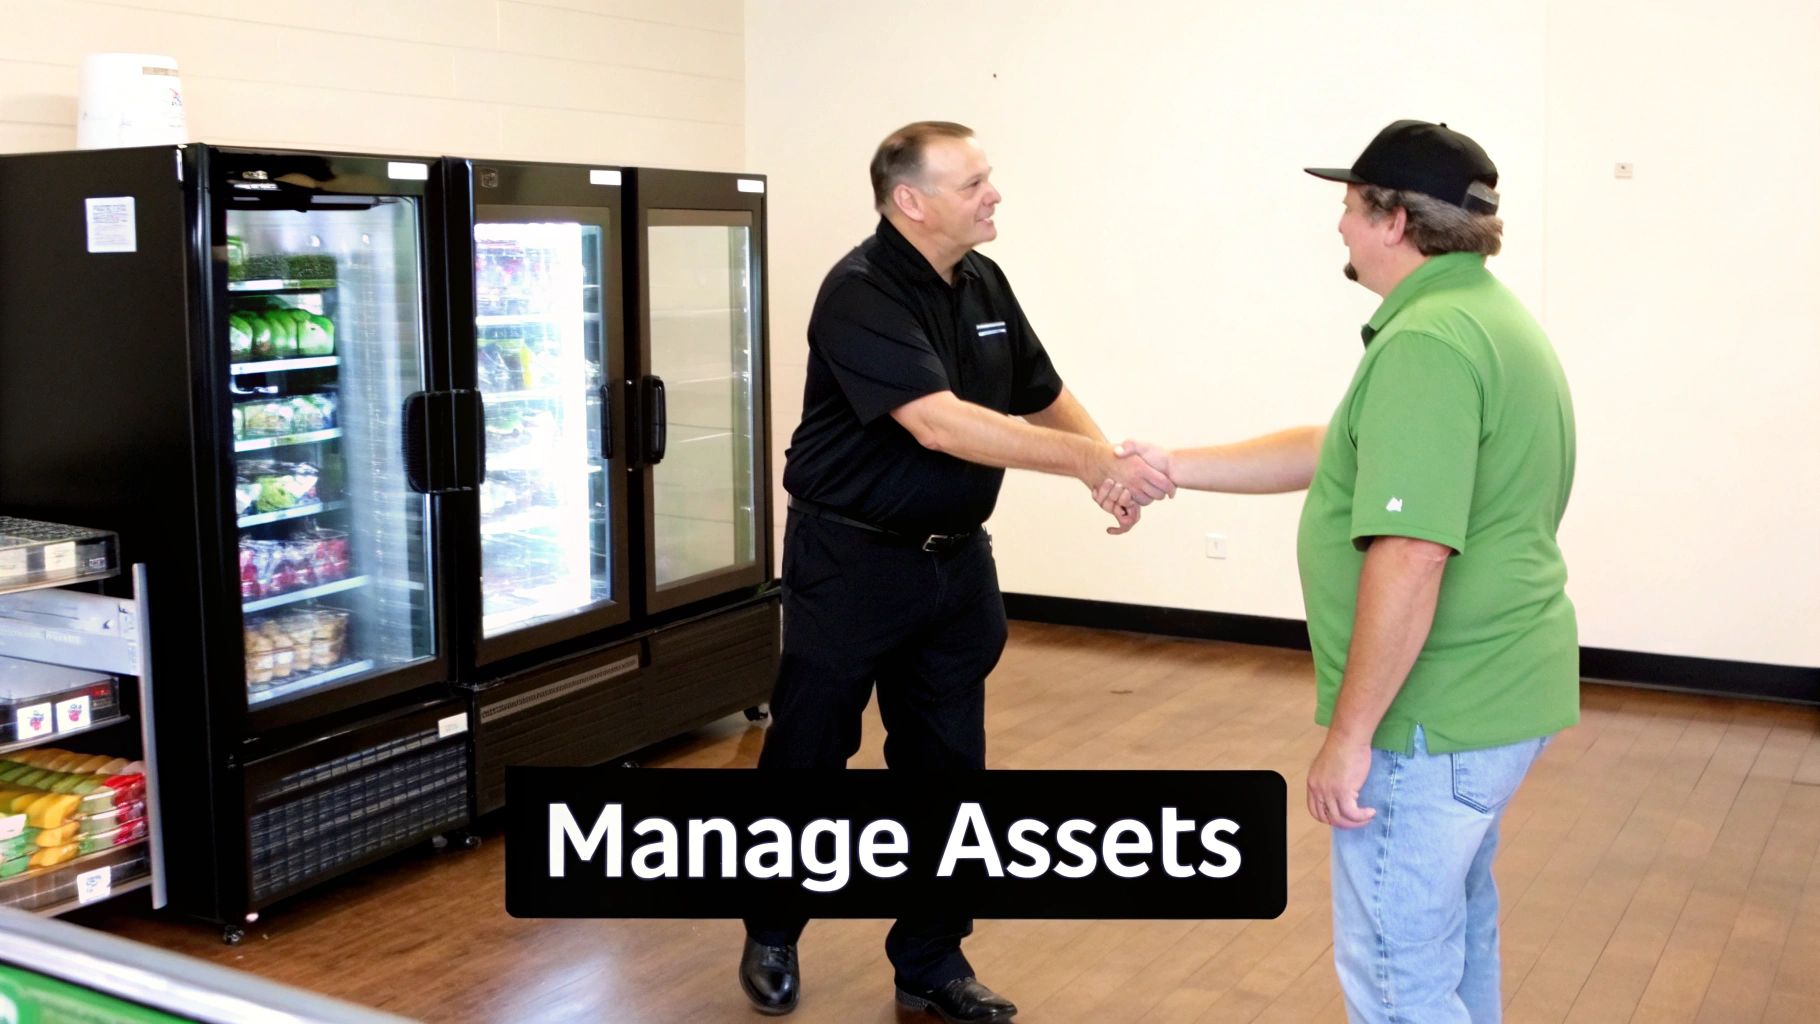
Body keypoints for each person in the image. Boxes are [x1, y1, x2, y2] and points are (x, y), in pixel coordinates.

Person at [1108, 120, 1579, 1023]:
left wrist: (1350, 736)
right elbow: (1342, 451)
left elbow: (1413, 551)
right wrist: (1174, 465)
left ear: (1394, 220)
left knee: (1398, 974)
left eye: (1350, 207)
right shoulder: (1482, 317)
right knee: (1453, 936)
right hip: (1499, 698)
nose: (1340, 226)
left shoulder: (1428, 345)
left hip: (1430, 715)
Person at [738, 120, 1172, 1023]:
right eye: (974, 182)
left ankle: (931, 961)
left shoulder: (982, 279)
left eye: (989, 178)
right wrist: (1090, 467)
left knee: (946, 770)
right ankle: (773, 928)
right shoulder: (858, 293)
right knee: (812, 755)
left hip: (953, 568)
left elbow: (1037, 389)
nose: (994, 194)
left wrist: (1106, 467)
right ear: (911, 201)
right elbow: (939, 423)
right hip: (848, 560)